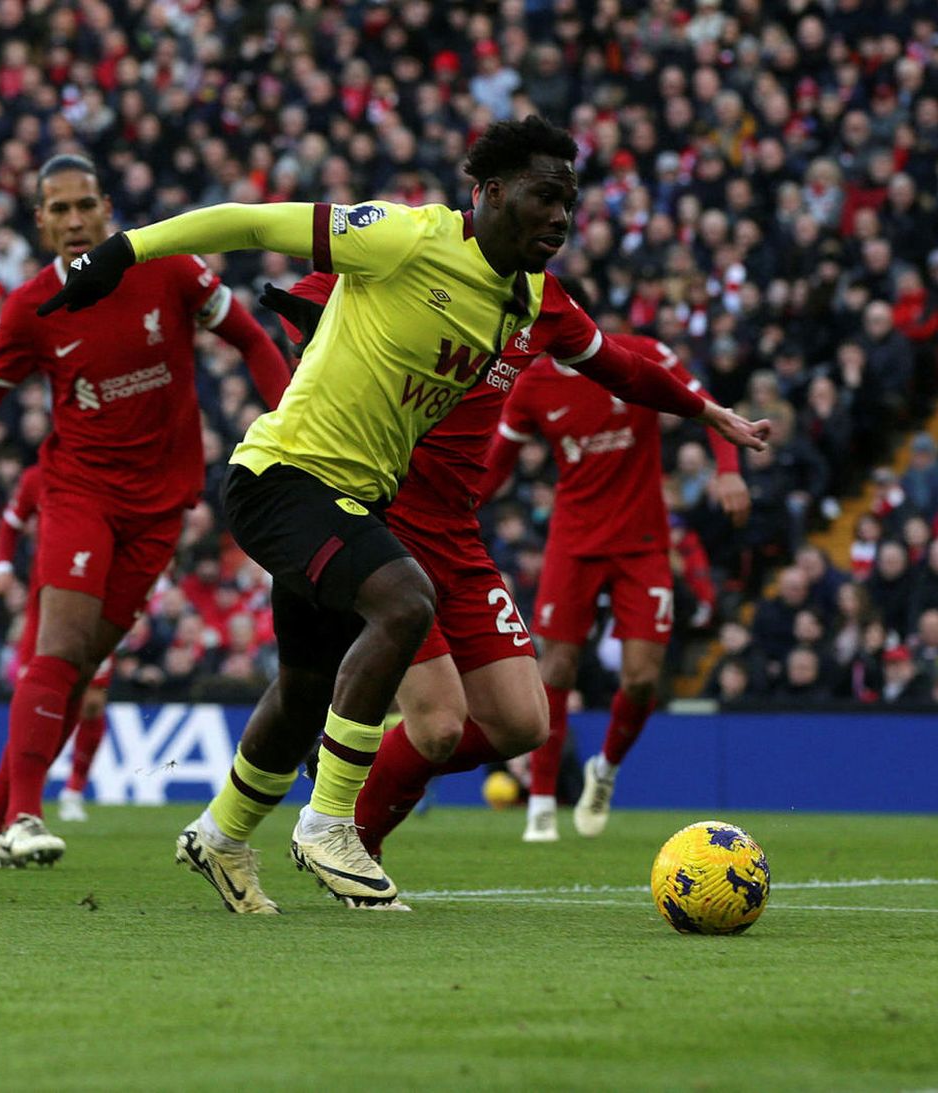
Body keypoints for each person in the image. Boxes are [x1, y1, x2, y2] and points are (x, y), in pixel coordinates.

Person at [38, 116, 767, 912]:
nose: (561, 216)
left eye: (571, 201)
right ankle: (328, 823)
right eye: (544, 197)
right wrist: (121, 250)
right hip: (283, 477)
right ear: (488, 194)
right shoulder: (401, 236)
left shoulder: (531, 299)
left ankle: (219, 834)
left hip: (357, 500)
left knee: (307, 686)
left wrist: (707, 413)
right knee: (404, 600)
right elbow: (248, 221)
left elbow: (621, 367)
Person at [0, 153, 290, 868]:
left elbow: (252, 339)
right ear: (40, 223)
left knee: (79, 663)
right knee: (60, 649)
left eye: (83, 206)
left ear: (107, 208)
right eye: (57, 210)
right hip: (79, 490)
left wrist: (292, 425)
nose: (73, 221)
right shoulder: (31, 307)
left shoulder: (172, 269)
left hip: (162, 504)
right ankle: (26, 816)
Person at [260, 268, 752, 873]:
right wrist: (314, 343)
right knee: (448, 720)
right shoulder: (427, 269)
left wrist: (713, 426)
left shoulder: (556, 321)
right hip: (396, 520)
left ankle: (355, 767)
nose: (552, 229)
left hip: (493, 535)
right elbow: (305, 295)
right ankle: (352, 832)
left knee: (526, 722)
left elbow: (626, 374)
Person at [479, 328, 750, 841]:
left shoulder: (638, 355)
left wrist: (729, 468)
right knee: (557, 665)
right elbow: (495, 466)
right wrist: (451, 506)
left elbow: (707, 405)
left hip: (643, 542)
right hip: (573, 542)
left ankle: (604, 769)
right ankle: (540, 798)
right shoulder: (532, 384)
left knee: (643, 678)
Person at [0, 460, 112, 828]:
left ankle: (73, 790)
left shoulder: (110, 473)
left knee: (90, 702)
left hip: (99, 597)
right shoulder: (35, 477)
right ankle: (22, 801)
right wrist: (2, 567)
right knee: (39, 696)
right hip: (47, 598)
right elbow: (10, 524)